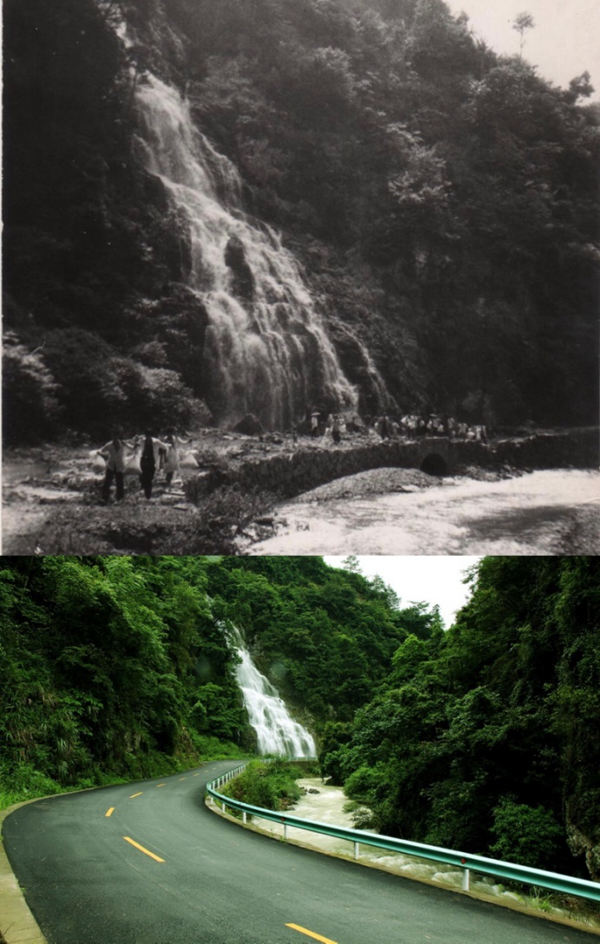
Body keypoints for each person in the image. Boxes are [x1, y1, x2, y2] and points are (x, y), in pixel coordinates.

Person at [97, 432, 133, 503]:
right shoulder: (109, 445)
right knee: (107, 482)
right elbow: (102, 450)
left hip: (119, 466)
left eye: (116, 437)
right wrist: (100, 454)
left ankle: (120, 498)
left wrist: (136, 446)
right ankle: (105, 497)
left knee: (119, 482)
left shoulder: (123, 444)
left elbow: (131, 448)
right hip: (111, 465)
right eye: (114, 437)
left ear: (118, 438)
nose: (115, 439)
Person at [138, 432, 168, 500]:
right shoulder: (142, 440)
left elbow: (165, 447)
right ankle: (145, 491)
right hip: (143, 460)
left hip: (152, 461)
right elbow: (137, 445)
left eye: (149, 436)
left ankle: (148, 494)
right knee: (143, 476)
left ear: (151, 436)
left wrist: (164, 455)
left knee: (149, 478)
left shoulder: (156, 441)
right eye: (146, 436)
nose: (147, 438)